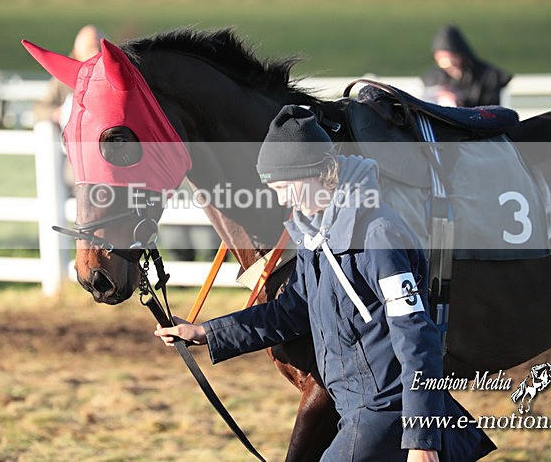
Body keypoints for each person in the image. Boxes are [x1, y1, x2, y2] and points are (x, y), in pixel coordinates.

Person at [155, 105, 495, 461]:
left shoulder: (378, 235)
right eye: (274, 188)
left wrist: (422, 439)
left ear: (317, 173)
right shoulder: (316, 237)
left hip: (387, 412)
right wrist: (206, 333)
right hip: (352, 409)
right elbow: (290, 312)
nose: (281, 198)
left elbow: (416, 336)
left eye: (285, 186)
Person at [422, 24, 512, 108]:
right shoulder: (432, 77)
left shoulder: (488, 76)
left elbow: (490, 106)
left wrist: (461, 102)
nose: (447, 63)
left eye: (450, 57)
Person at [33, 25, 105, 126]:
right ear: (77, 51)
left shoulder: (110, 77)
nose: (96, 53)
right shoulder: (62, 77)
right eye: (91, 48)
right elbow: (40, 109)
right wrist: (60, 113)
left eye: (100, 48)